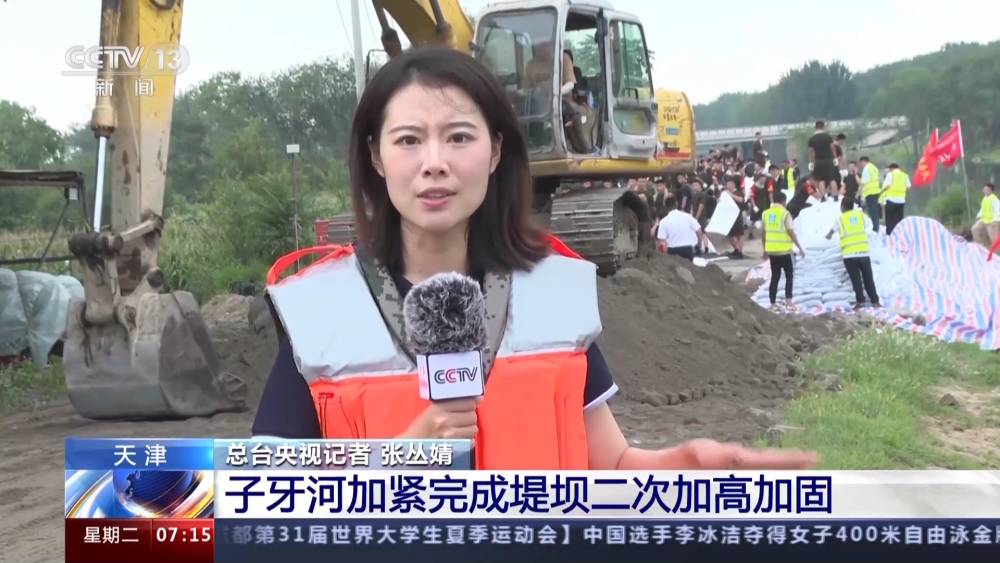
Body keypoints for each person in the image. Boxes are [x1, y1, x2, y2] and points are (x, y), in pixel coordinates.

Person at [253, 47, 816, 471]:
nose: (434, 162)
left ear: (496, 150)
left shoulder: (554, 294)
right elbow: (257, 494)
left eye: (459, 137)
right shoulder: (319, 311)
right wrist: (396, 459)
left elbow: (611, 465)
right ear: (375, 156)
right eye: (408, 140)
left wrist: (683, 462)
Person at [825, 198, 879, 310]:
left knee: (856, 280)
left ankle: (860, 302)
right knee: (868, 278)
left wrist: (827, 236)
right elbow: (868, 225)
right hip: (863, 252)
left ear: (842, 207)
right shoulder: (860, 215)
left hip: (849, 254)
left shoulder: (840, 219)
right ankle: (875, 301)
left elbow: (831, 232)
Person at [761, 191, 804, 310]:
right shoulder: (785, 214)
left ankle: (773, 304)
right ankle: (789, 302)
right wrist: (799, 247)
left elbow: (763, 233)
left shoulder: (765, 213)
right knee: (789, 276)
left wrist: (764, 249)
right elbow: (791, 232)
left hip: (772, 252)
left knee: (775, 277)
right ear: (784, 202)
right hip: (784, 251)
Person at [655, 196, 705, 260]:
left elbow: (662, 242)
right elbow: (698, 231)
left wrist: (664, 255)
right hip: (687, 249)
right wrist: (699, 244)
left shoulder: (663, 222)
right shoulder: (687, 216)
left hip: (672, 250)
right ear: (677, 204)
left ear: (666, 207)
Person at [807, 121, 838, 201]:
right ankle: (835, 196)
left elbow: (810, 151)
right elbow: (832, 148)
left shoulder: (812, 139)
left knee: (821, 180)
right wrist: (835, 158)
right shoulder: (828, 137)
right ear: (823, 127)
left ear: (815, 127)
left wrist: (811, 162)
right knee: (832, 179)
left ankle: (823, 197)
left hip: (818, 161)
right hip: (829, 160)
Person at [878, 163, 910, 235]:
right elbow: (908, 187)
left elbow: (887, 186)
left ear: (891, 168)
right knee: (899, 218)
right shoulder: (905, 175)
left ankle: (890, 233)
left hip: (891, 200)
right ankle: (899, 233)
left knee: (890, 218)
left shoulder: (890, 175)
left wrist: (881, 192)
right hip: (901, 201)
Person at [972, 183, 1000, 252]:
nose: (984, 190)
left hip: (991, 222)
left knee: (994, 240)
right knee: (975, 229)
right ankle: (979, 247)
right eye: (984, 189)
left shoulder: (995, 199)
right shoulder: (985, 198)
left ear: (990, 190)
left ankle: (997, 253)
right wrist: (978, 216)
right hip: (984, 220)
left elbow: (997, 210)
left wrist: (994, 221)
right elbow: (982, 209)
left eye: (986, 189)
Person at [858, 156, 882, 232]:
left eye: (861, 163)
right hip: (876, 191)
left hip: (869, 192)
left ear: (863, 161)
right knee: (875, 209)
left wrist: (859, 192)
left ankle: (875, 227)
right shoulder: (874, 168)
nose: (861, 165)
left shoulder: (866, 168)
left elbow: (863, 182)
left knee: (872, 210)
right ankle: (876, 226)